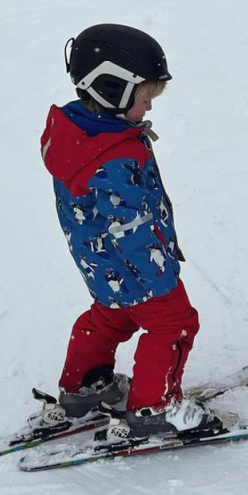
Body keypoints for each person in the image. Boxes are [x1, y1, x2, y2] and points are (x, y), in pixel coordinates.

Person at [39, 23, 219, 443]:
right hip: (137, 265)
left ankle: (83, 387)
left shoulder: (79, 136)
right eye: (142, 101)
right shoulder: (112, 158)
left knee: (109, 317)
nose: (147, 111)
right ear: (110, 89)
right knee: (173, 324)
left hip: (100, 263)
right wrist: (159, 277)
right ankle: (154, 407)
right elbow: (130, 227)